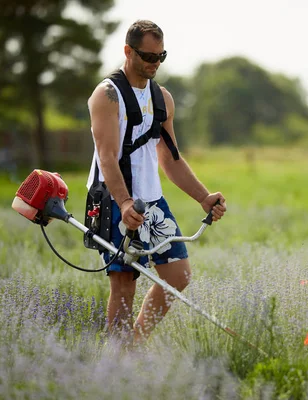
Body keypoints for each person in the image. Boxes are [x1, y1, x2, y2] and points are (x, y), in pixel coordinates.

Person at [86, 19, 227, 345]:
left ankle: (133, 345)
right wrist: (123, 203)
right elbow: (106, 156)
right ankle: (118, 363)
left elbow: (170, 158)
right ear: (127, 51)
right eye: (147, 56)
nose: (154, 63)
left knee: (179, 275)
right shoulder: (107, 95)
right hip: (113, 198)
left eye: (160, 57)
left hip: (152, 199)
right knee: (124, 283)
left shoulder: (162, 99)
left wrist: (204, 198)